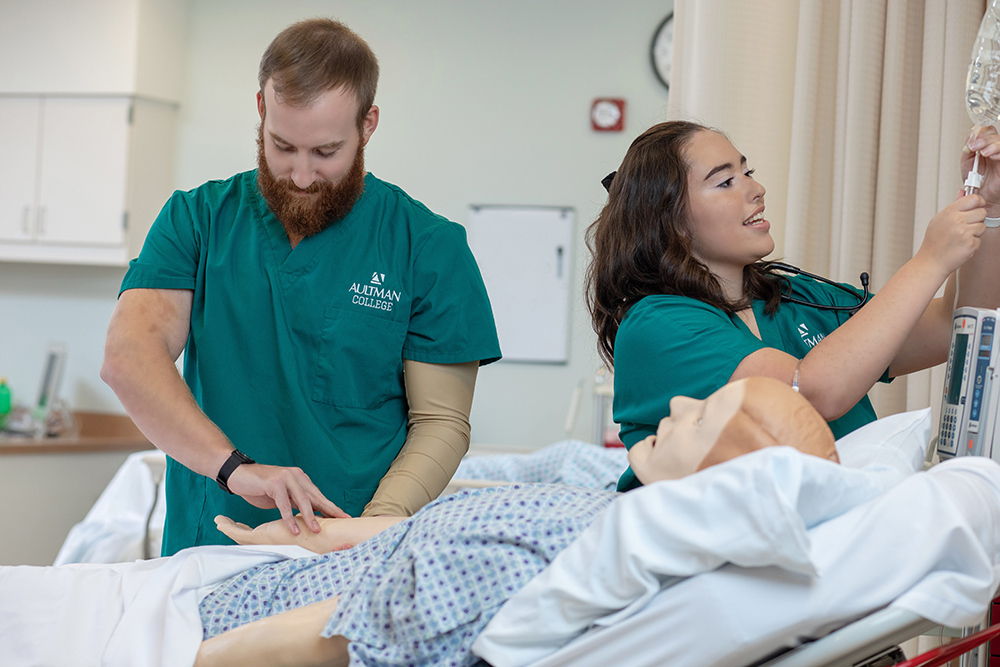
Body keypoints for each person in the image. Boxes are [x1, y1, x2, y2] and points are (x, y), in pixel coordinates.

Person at [101, 18, 501, 555]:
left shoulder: (427, 247)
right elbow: (130, 358)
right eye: (283, 147)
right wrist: (237, 471)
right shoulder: (196, 221)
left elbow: (441, 422)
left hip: (352, 555)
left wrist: (368, 530)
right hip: (210, 547)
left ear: (368, 125)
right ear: (261, 111)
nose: (303, 175)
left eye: (326, 152)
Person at [585, 120, 1000, 492]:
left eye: (746, 172)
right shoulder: (656, 325)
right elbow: (812, 393)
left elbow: (954, 327)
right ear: (669, 219)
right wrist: (929, 261)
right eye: (725, 182)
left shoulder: (796, 298)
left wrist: (990, 206)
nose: (756, 189)